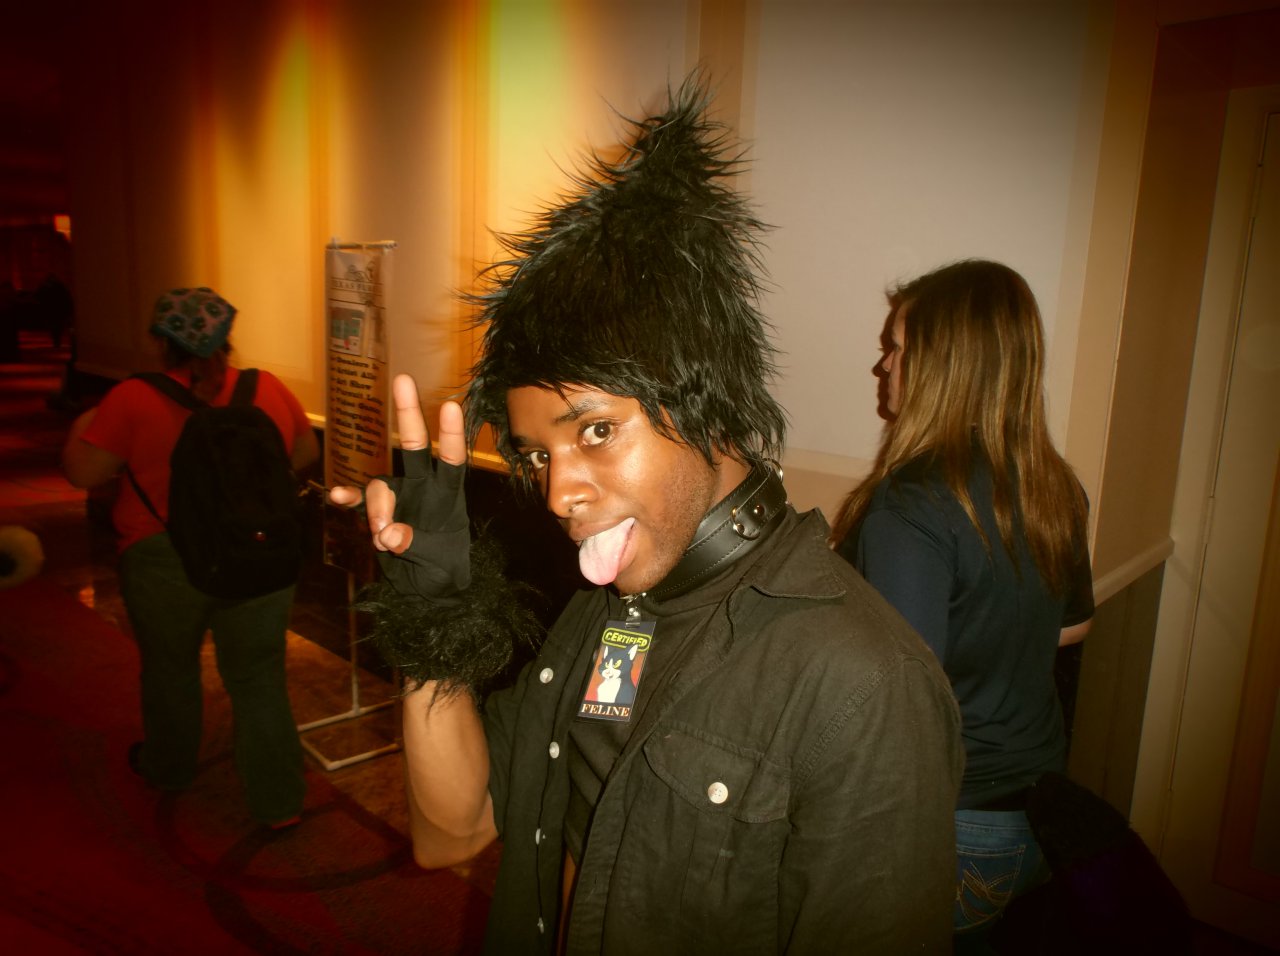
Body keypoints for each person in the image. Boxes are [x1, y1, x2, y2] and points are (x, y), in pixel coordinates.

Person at [331, 79, 963, 954]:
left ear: (709, 408)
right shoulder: (608, 609)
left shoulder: (862, 685)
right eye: (537, 455)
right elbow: (454, 832)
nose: (559, 493)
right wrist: (431, 621)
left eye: (596, 430)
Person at [829, 259, 1095, 947]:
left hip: (958, 825)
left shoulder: (911, 504)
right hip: (1037, 810)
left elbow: (896, 693)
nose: (882, 365)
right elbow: (1072, 628)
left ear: (941, 365)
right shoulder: (1053, 485)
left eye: (896, 347)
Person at [62, 287, 319, 828]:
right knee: (258, 678)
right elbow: (302, 454)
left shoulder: (132, 398)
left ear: (162, 342)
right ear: (228, 337)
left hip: (164, 559)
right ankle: (278, 803)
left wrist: (84, 426)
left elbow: (83, 473)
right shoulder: (267, 388)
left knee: (170, 669)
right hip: (256, 552)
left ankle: (170, 767)